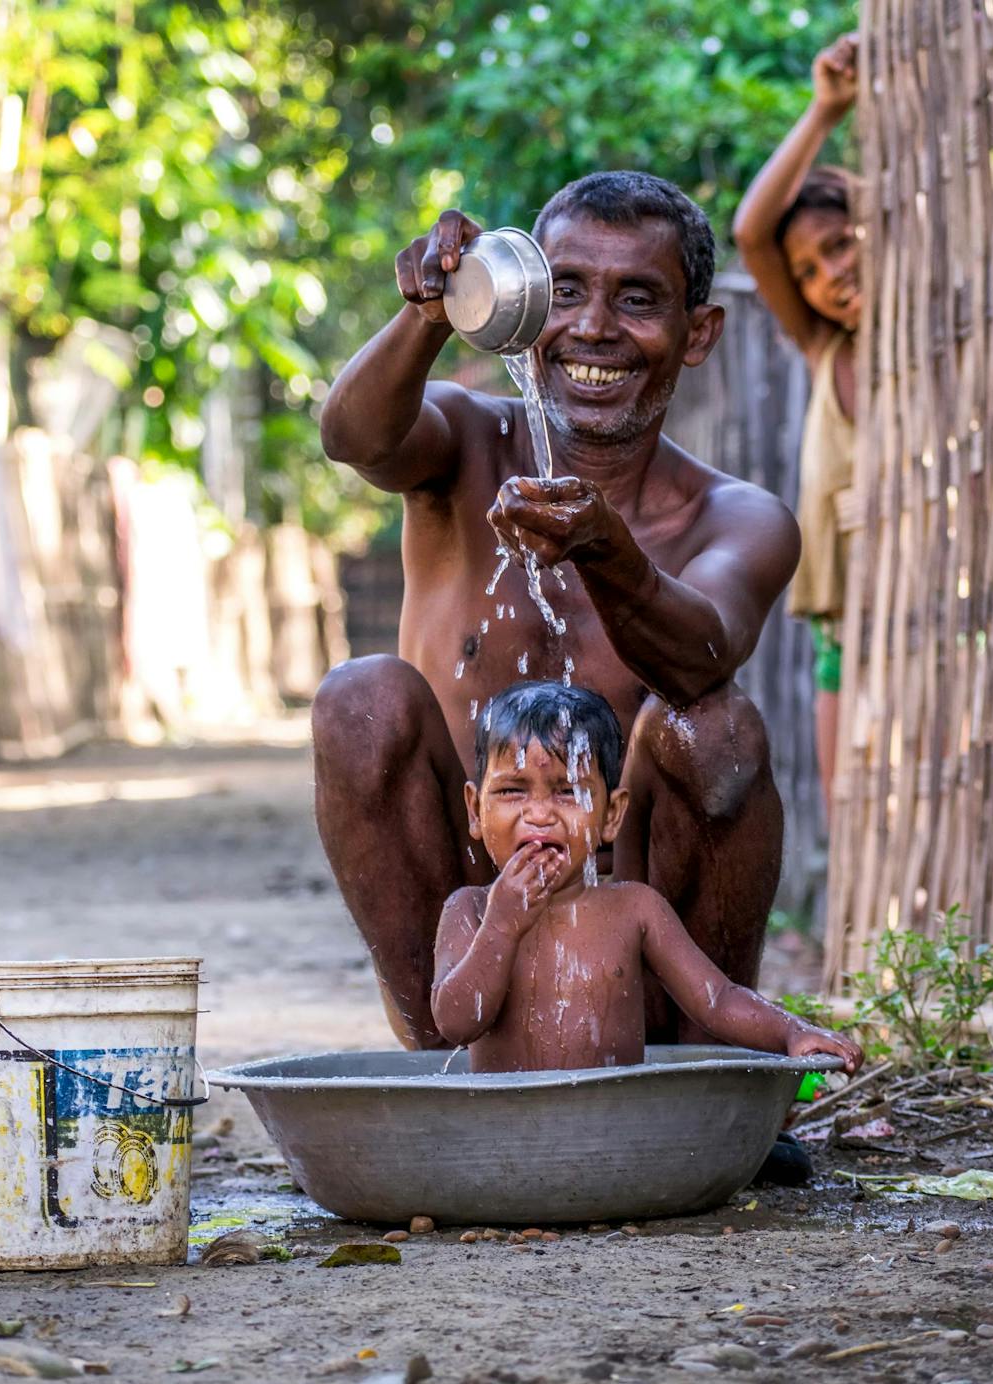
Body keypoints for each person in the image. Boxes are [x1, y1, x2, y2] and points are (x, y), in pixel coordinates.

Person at [315, 171, 799, 1060]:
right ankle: (445, 1073)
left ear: (698, 334)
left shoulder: (735, 518)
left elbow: (703, 661)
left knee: (717, 730)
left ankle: (713, 1073)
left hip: (635, 947)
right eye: (565, 290)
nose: (593, 328)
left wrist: (606, 550)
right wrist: (429, 312)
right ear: (524, 302)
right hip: (470, 946)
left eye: (639, 299)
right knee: (360, 698)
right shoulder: (462, 439)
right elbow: (354, 439)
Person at [431, 682, 862, 1075]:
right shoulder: (470, 910)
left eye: (568, 792)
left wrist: (792, 1032)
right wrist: (501, 927)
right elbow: (456, 1023)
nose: (539, 814)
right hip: (505, 1139)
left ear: (612, 815)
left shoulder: (634, 909)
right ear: (474, 809)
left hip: (620, 1133)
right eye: (512, 791)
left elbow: (717, 999)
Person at [731, 31, 862, 813]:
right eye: (808, 271)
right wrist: (823, 113)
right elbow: (752, 233)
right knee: (860, 824)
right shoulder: (824, 347)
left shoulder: (946, 359)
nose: (829, 276)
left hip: (945, 630)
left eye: (842, 244)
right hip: (841, 639)